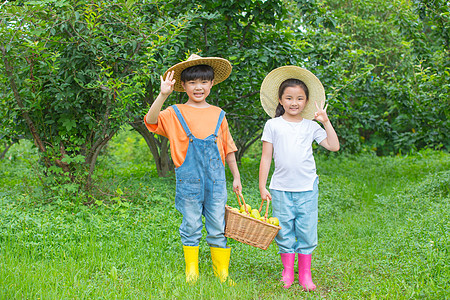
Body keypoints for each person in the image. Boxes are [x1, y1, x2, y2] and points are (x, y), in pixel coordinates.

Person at [144, 54, 242, 284]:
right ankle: (192, 271)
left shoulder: (219, 114)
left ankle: (222, 273)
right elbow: (150, 120)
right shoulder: (174, 112)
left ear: (211, 84)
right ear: (184, 86)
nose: (198, 87)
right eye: (192, 82)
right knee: (191, 224)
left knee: (218, 225)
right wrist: (162, 95)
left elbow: (228, 149)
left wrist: (236, 176)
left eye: (203, 82)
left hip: (217, 181)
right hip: (188, 180)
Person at [258, 66, 340, 291]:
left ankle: (304, 273)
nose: (294, 103)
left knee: (306, 229)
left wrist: (325, 121)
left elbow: (333, 146)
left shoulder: (310, 126)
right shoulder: (272, 125)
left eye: (299, 98)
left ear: (306, 101)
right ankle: (287, 272)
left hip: (306, 187)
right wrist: (262, 186)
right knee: (284, 229)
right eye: (289, 98)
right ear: (280, 100)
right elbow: (266, 158)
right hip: (281, 188)